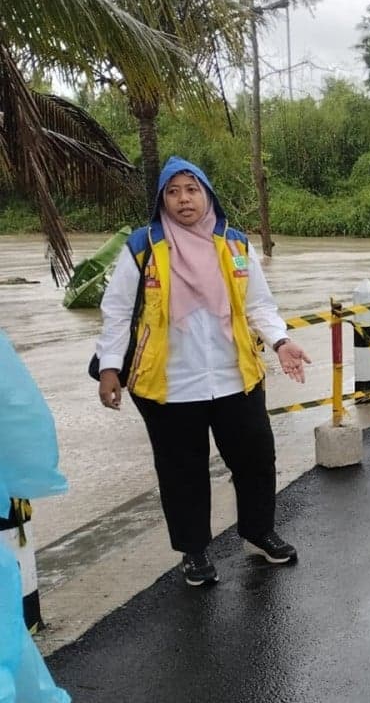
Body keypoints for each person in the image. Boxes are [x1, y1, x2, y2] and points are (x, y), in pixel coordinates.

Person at [96, 157, 311, 587]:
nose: (183, 200)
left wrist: (282, 341)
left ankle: (258, 532)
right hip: (170, 384)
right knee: (182, 473)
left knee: (255, 458)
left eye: (191, 190)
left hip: (236, 376)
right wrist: (109, 368)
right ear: (161, 200)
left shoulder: (233, 244)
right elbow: (117, 312)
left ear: (207, 194)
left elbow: (258, 305)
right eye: (173, 192)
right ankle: (194, 552)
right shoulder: (142, 246)